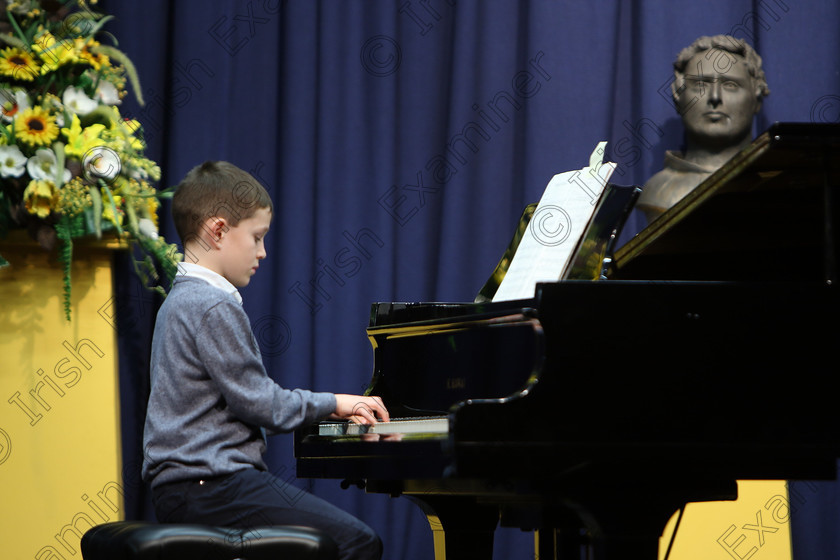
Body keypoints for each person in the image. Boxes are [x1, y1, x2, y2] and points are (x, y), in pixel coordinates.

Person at [141, 160, 390, 560]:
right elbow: (263, 405)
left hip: (187, 487)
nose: (263, 252)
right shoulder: (211, 305)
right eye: (257, 237)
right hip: (213, 485)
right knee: (357, 541)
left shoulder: (180, 300)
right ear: (218, 230)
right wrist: (337, 403)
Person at [636, 35, 770, 222]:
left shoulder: (774, 185)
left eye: (730, 85)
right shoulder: (659, 191)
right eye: (700, 85)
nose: (715, 97)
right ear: (678, 96)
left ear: (756, 96)